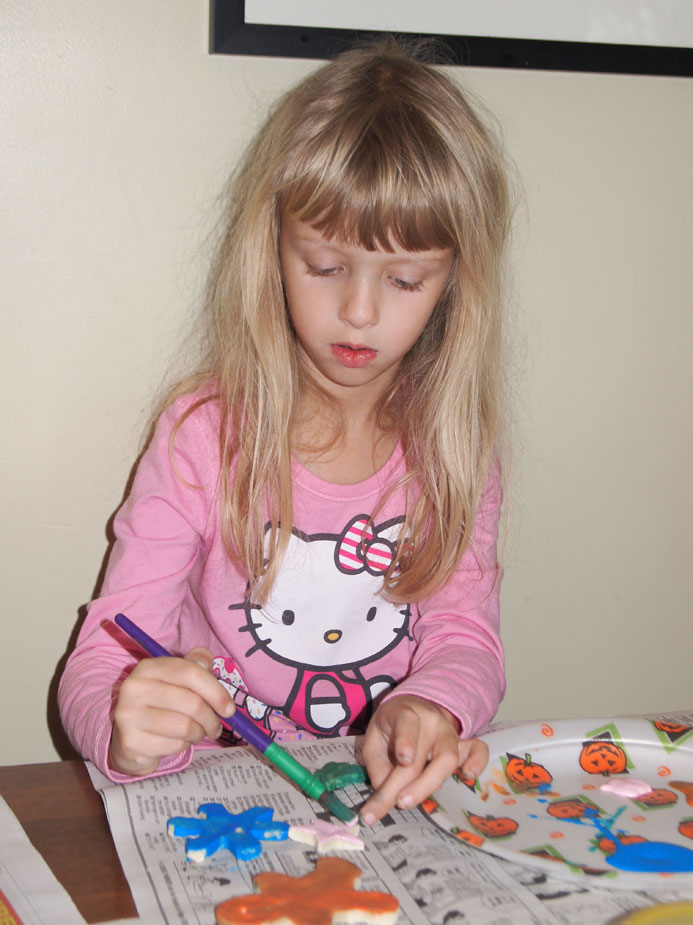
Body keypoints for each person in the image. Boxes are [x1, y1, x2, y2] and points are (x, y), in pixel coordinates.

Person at [58, 38, 512, 825]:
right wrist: (122, 727)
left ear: (452, 286)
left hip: (392, 809)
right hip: (221, 800)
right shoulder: (204, 435)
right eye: (325, 266)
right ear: (271, 251)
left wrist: (435, 698)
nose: (360, 312)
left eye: (404, 279)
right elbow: (104, 652)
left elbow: (465, 632)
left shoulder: (453, 445)